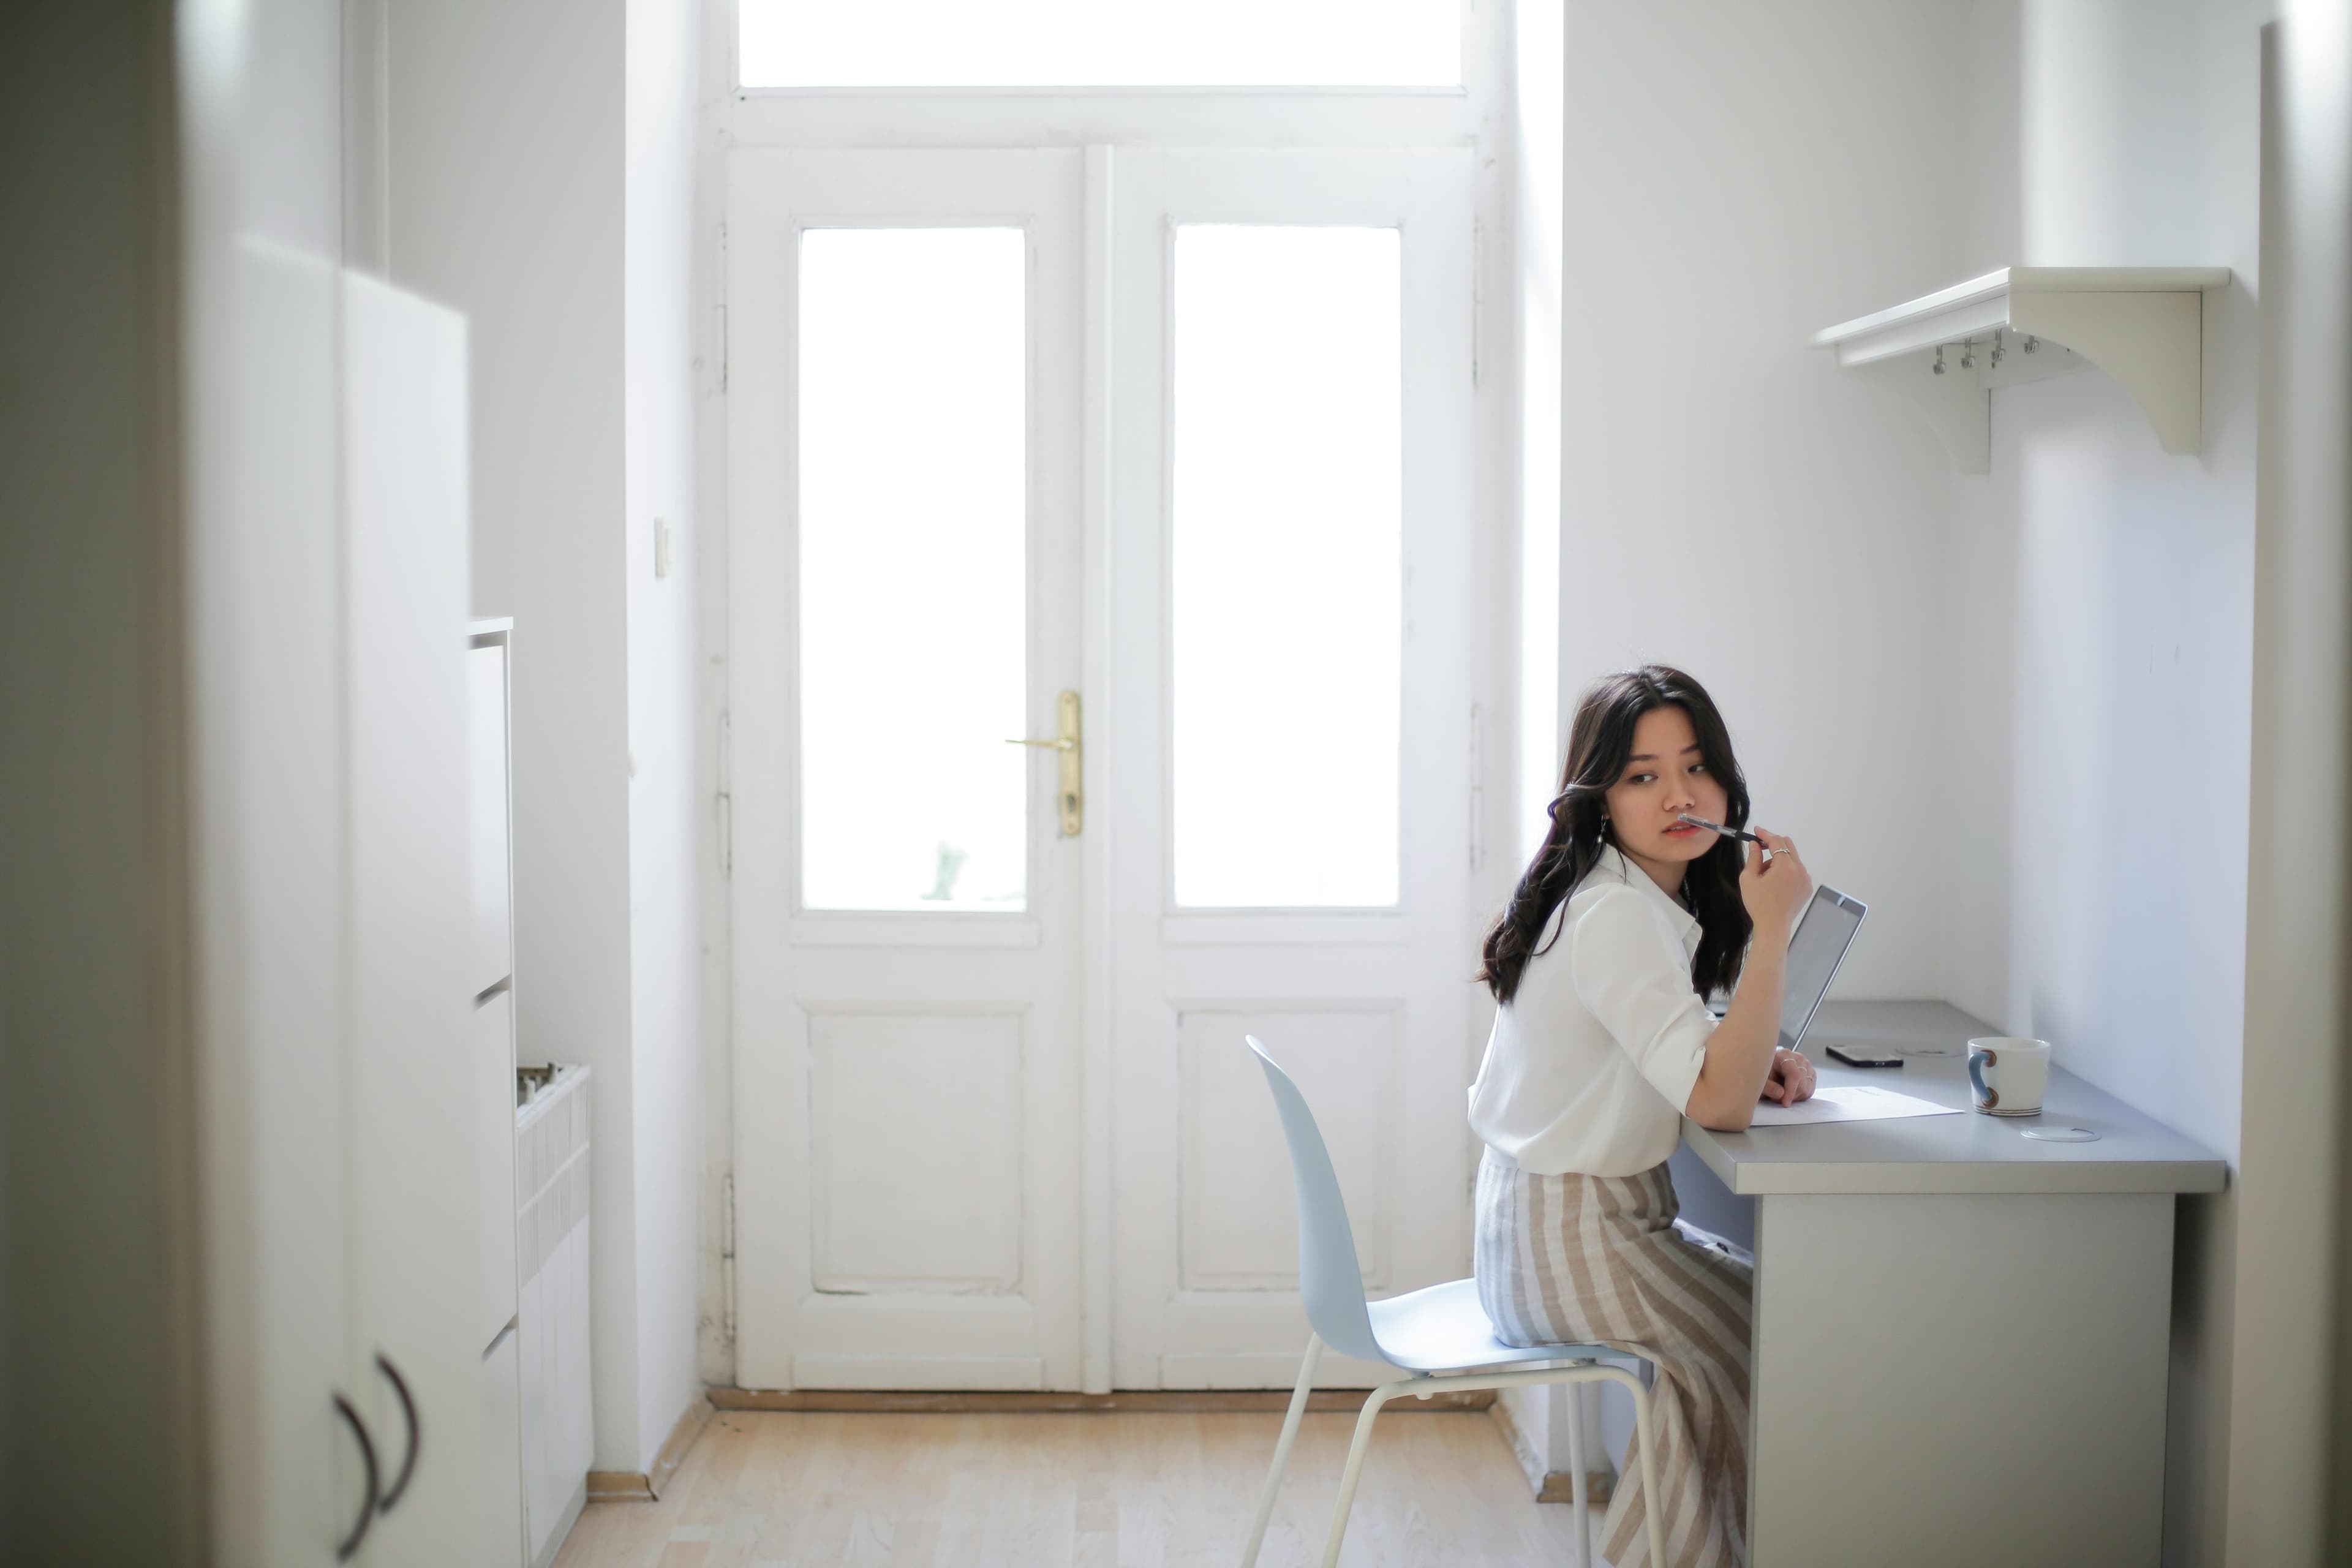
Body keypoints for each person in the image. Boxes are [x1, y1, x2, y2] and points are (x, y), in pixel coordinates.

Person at [1469, 665, 1816, 1568]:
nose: (1679, 795)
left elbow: (1681, 1053)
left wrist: (1743, 1042)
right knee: (1776, 1341)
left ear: (1727, 784)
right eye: (1642, 775)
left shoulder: (1615, 896)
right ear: (1600, 796)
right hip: (1573, 1243)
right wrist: (1774, 933)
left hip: (1544, 1230)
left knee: (1775, 1311)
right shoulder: (1616, 914)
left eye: (1695, 769)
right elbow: (1717, 1103)